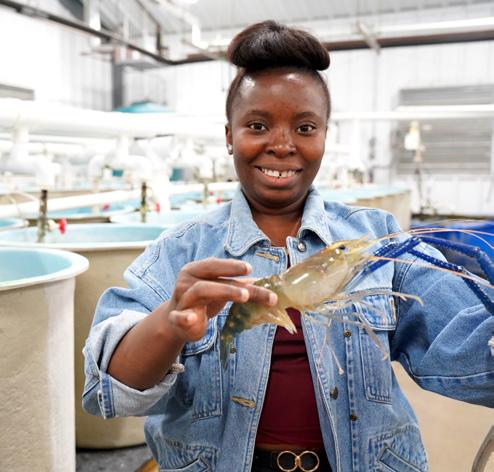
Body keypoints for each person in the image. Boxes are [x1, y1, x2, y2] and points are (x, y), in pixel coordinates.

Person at [82, 20, 494, 472]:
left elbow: (467, 351)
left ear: (324, 136)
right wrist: (170, 324)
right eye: (257, 125)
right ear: (229, 136)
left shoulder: (375, 235)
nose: (281, 145)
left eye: (305, 127)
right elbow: (108, 393)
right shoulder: (181, 250)